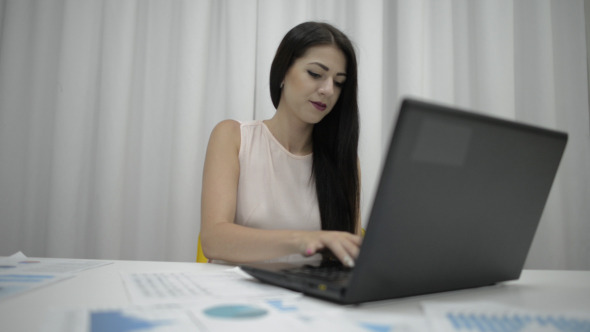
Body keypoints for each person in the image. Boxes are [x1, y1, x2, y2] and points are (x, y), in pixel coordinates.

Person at [200, 21, 362, 267]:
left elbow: (347, 253)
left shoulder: (343, 162)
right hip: (234, 295)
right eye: (316, 74)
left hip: (309, 300)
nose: (328, 90)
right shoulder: (233, 137)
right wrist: (304, 240)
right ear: (283, 72)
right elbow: (214, 240)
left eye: (339, 82)